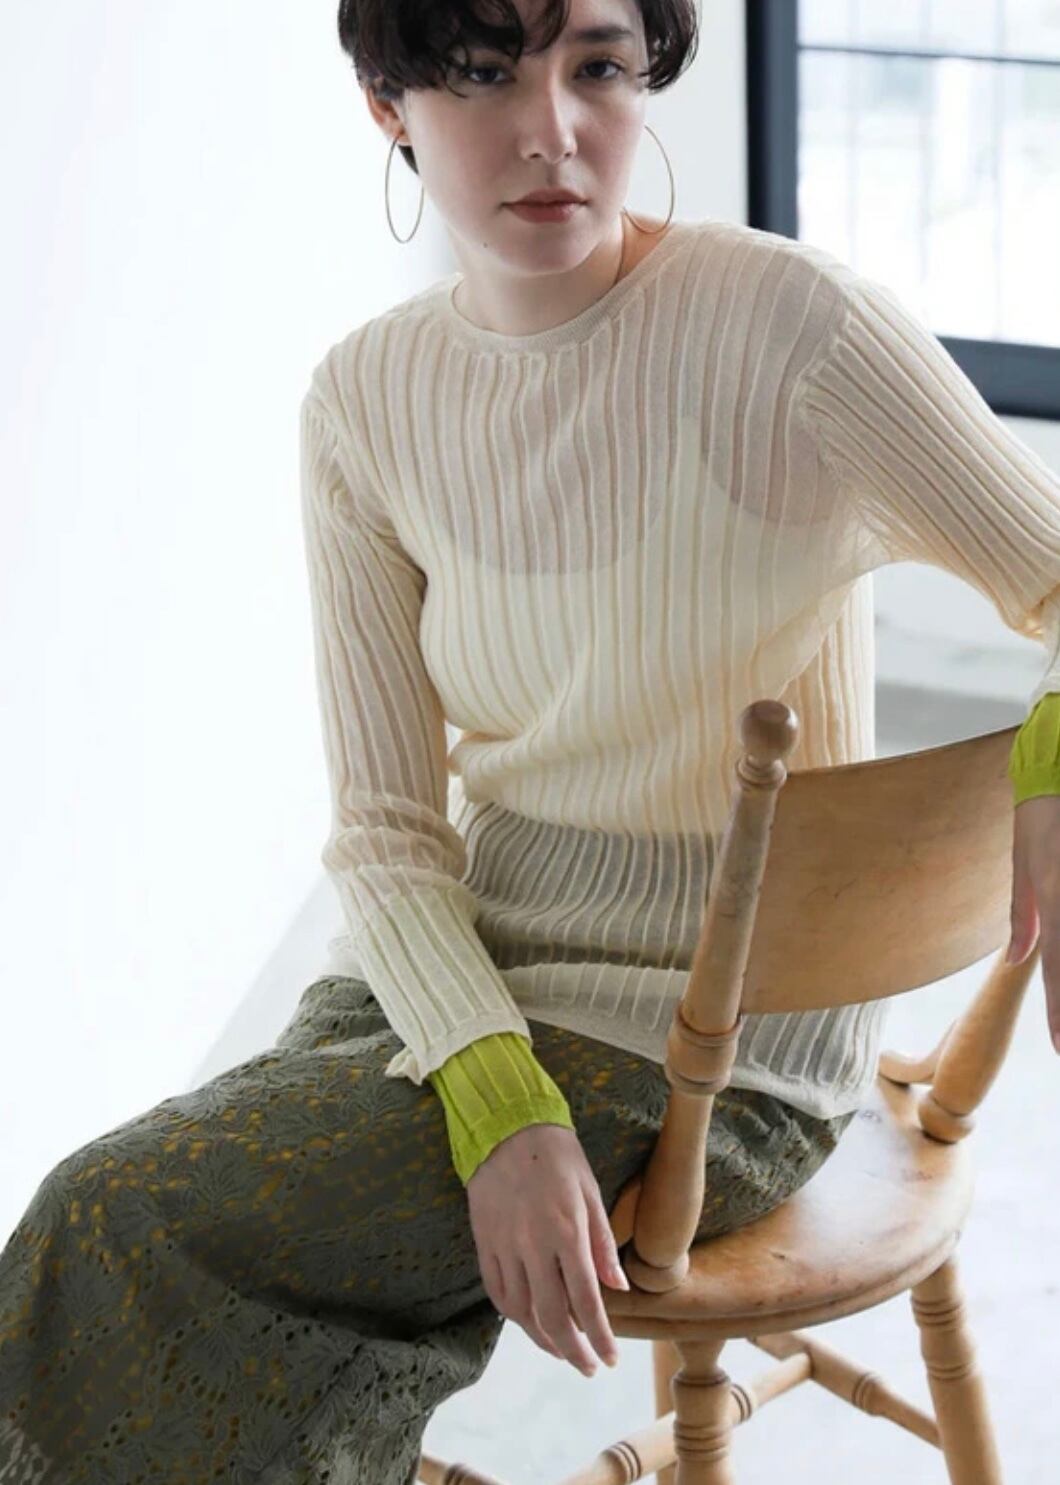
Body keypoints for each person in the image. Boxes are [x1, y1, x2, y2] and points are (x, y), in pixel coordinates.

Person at [2, 1, 1058, 1480]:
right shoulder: (367, 402)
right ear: (388, 103)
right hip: (463, 968)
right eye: (485, 72)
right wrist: (499, 1106)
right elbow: (386, 831)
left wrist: (1045, 769)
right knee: (177, 1267)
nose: (554, 131)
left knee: (114, 1220)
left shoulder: (792, 329)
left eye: (599, 67)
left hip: (726, 1035)